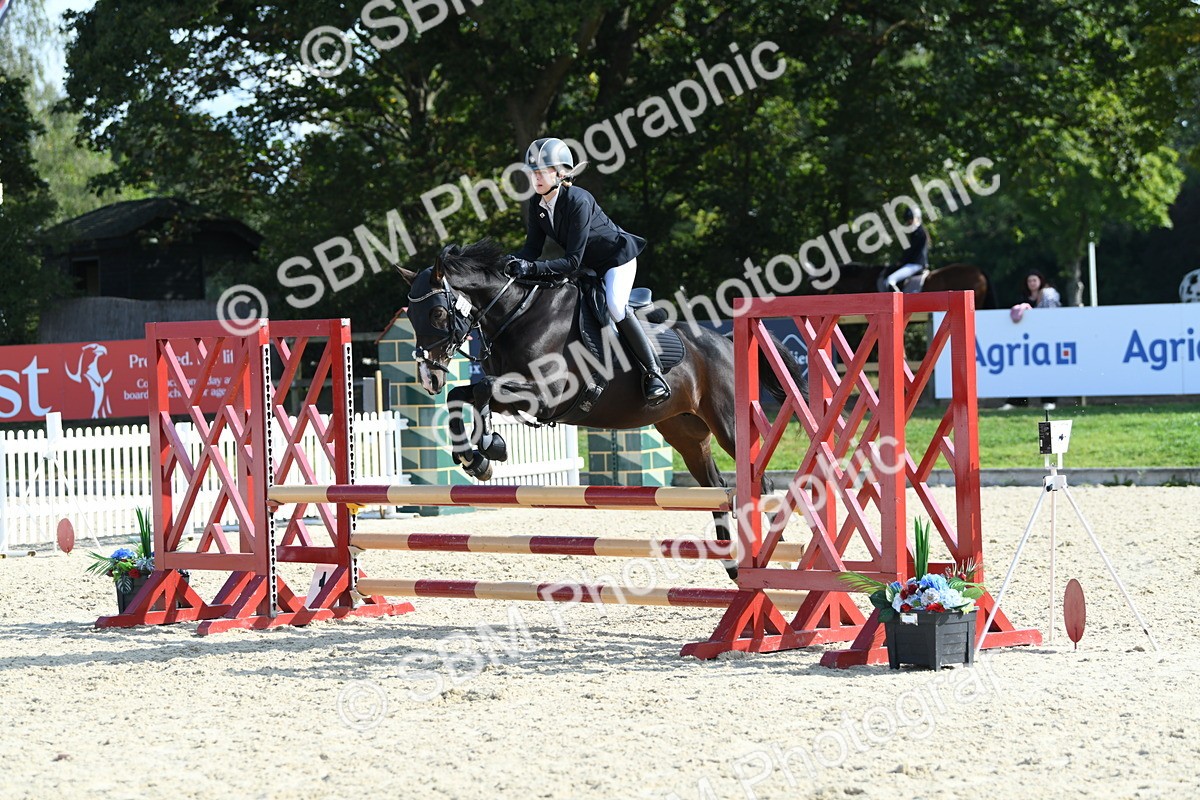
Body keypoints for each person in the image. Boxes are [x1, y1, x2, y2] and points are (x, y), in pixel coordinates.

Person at [505, 137, 670, 405]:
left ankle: (654, 374)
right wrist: (507, 264)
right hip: (589, 266)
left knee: (616, 306)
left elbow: (571, 261)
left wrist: (531, 267)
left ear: (560, 173)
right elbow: (531, 251)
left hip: (617, 260)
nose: (535, 178)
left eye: (541, 171)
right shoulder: (537, 205)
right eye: (532, 172)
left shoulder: (578, 200)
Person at [998, 269, 1062, 411]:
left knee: (1046, 371)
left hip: (1045, 341)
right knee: (1021, 371)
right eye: (1029, 281)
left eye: (1034, 280)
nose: (1032, 283)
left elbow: (1052, 316)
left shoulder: (1048, 295)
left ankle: (1049, 400)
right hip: (1025, 343)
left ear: (1040, 281)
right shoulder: (1022, 297)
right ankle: (1017, 401)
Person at [880, 206, 929, 292]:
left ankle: (899, 303)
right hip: (914, 264)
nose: (909, 222)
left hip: (915, 264)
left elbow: (911, 251)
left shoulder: (919, 232)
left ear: (917, 218)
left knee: (890, 281)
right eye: (908, 220)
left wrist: (901, 261)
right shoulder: (918, 232)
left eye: (911, 219)